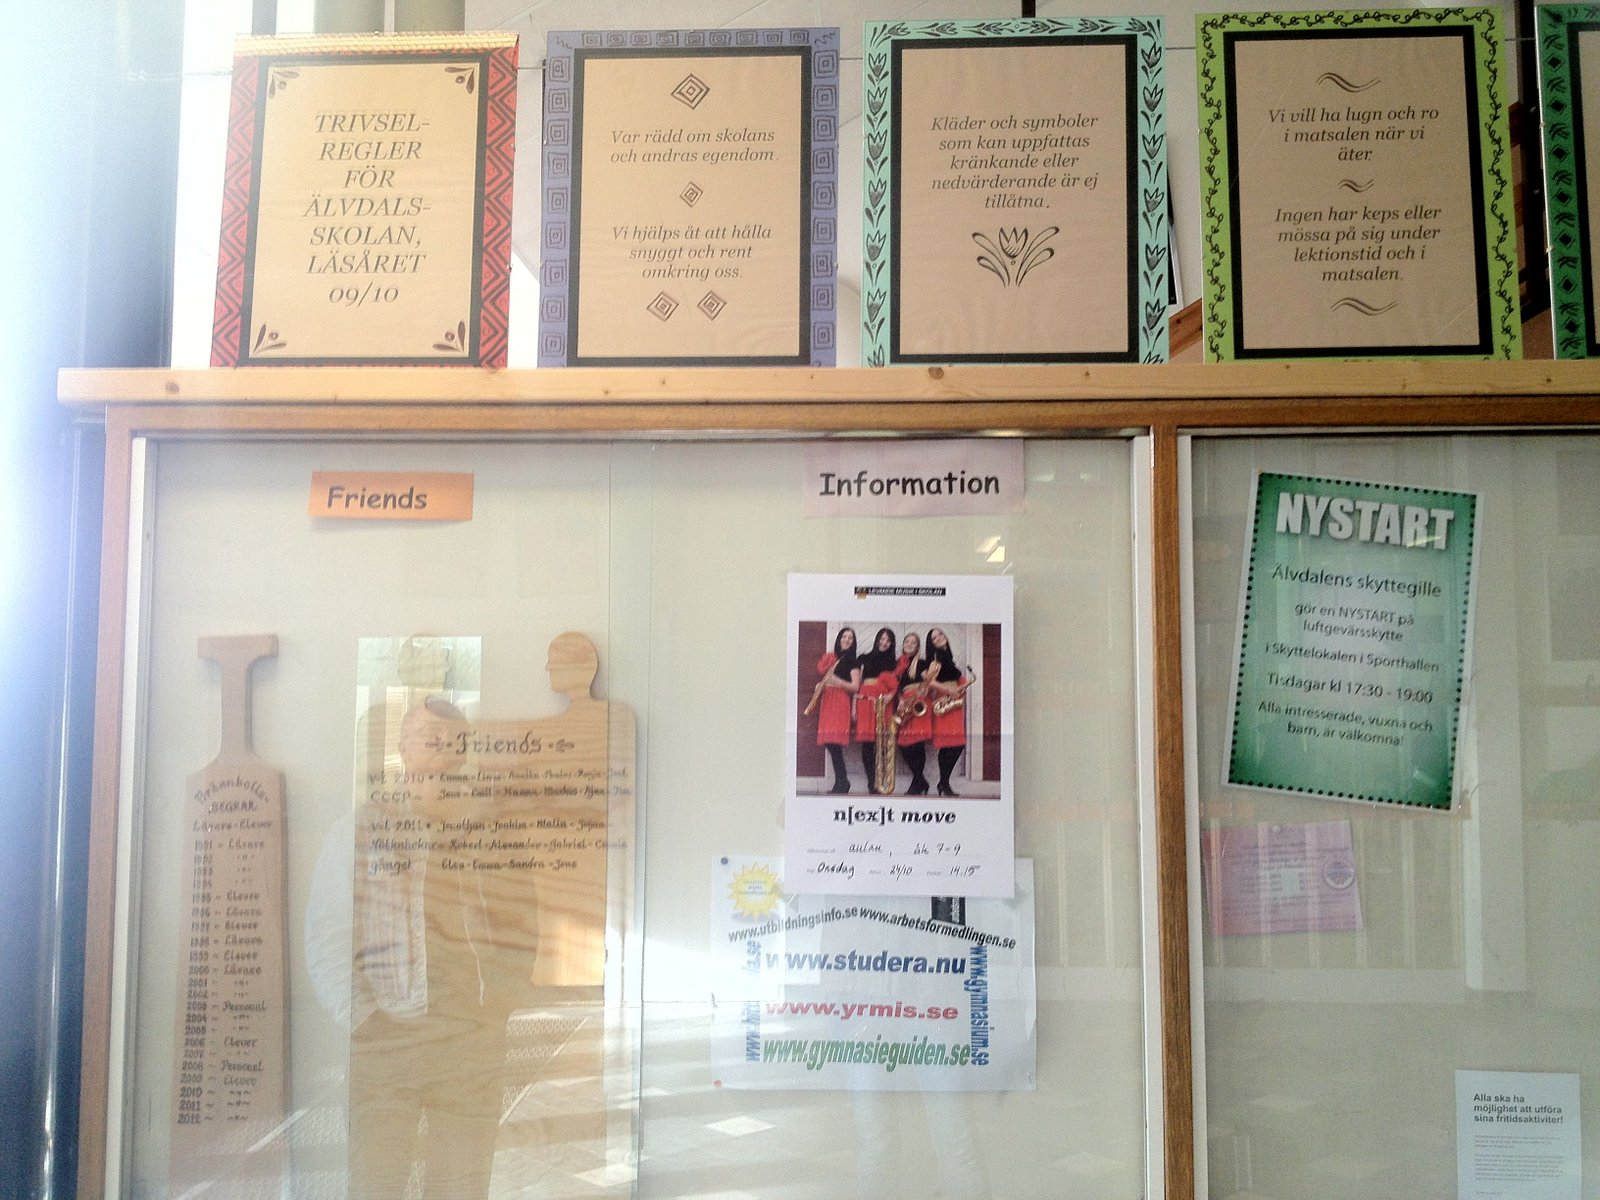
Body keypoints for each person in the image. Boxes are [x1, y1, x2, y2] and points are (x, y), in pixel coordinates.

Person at [923, 628, 970, 797]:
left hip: (953, 705)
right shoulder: (936, 659)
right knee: (948, 744)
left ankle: (943, 783)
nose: (939, 638)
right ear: (931, 644)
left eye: (940, 634)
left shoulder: (947, 657)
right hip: (944, 702)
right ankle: (944, 783)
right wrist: (948, 690)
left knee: (956, 744)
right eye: (934, 638)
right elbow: (929, 682)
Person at [814, 627, 861, 793]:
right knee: (829, 742)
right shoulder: (833, 659)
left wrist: (836, 682)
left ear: (853, 642)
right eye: (844, 636)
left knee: (834, 742)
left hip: (840, 702)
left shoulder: (853, 662)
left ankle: (842, 782)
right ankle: (842, 781)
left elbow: (855, 687)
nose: (847, 639)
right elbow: (828, 680)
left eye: (850, 637)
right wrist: (822, 685)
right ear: (839, 639)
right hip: (828, 701)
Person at [853, 627, 899, 794]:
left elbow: (896, 686)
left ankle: (882, 782)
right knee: (867, 744)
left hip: (884, 703)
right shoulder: (863, 658)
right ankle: (871, 783)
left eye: (888, 640)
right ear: (877, 639)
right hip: (866, 702)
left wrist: (891, 696)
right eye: (882, 638)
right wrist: (854, 706)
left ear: (892, 644)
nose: (884, 642)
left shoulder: (894, 663)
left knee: (883, 743)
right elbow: (857, 684)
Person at [893, 631, 933, 795]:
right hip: (905, 705)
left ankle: (917, 784)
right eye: (907, 642)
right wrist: (900, 700)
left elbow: (929, 680)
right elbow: (896, 687)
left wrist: (924, 689)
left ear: (917, 647)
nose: (909, 644)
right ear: (903, 645)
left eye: (913, 642)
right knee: (903, 744)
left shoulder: (921, 663)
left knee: (917, 744)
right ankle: (921, 781)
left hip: (919, 704)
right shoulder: (899, 665)